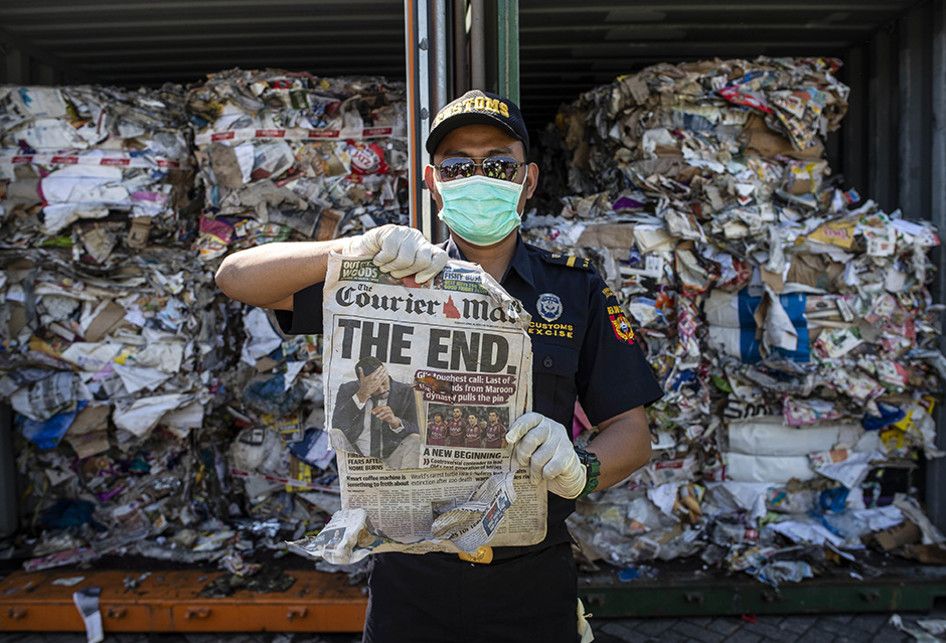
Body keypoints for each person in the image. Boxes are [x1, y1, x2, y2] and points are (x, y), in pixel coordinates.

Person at [215, 89, 663, 643]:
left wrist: (580, 468)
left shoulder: (574, 288)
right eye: (458, 165)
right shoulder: (385, 276)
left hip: (531, 581)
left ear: (527, 180)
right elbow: (236, 277)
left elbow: (632, 433)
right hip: (411, 582)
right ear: (433, 182)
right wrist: (356, 248)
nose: (480, 177)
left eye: (498, 163)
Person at [331, 356, 419, 469]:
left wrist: (396, 422)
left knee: (415, 440)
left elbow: (418, 430)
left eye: (384, 383)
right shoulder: (348, 389)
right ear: (360, 382)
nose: (382, 390)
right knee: (335, 433)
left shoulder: (406, 391)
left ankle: (406, 483)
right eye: (375, 387)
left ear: (386, 373)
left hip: (393, 458)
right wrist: (362, 394)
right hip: (358, 458)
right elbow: (338, 426)